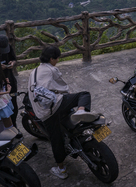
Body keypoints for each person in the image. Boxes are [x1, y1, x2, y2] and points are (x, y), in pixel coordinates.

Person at [28, 46, 97, 180]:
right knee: (83, 95)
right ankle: (81, 111)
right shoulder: (52, 70)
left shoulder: (33, 72)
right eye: (57, 58)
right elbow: (63, 87)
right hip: (55, 105)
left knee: (55, 140)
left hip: (43, 112)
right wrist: (66, 94)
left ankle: (61, 169)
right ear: (51, 59)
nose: (58, 60)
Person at [0, 35, 18, 127]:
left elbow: (14, 58)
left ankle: (14, 126)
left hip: (9, 79)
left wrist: (12, 63)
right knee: (4, 108)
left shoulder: (8, 46)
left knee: (14, 106)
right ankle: (8, 128)